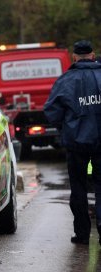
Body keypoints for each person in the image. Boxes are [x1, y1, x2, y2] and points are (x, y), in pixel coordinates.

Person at [44, 40, 101, 246]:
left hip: (77, 145)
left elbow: (51, 112)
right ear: (93, 56)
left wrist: (66, 126)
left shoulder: (66, 80)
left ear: (74, 57)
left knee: (79, 188)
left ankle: (83, 233)